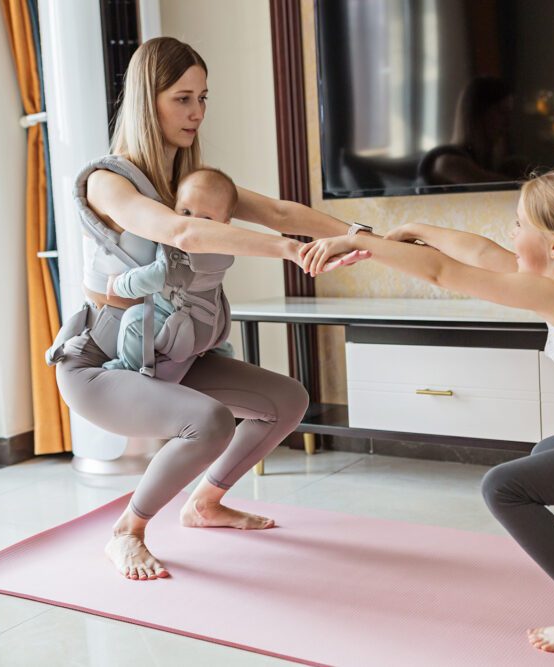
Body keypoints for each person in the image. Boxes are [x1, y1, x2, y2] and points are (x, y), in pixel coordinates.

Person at [299, 170, 554, 654]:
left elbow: (444, 273)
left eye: (519, 224)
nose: (511, 236)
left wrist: (355, 242)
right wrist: (420, 229)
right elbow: (479, 255)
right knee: (548, 455)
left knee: (505, 486)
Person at [50, 36, 370, 582]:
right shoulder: (107, 181)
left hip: (177, 351)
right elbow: (181, 232)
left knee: (287, 400)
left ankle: (206, 504)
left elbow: (277, 210)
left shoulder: (191, 184)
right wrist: (288, 251)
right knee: (209, 420)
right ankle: (126, 532)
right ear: (147, 101)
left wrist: (366, 236)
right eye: (182, 98)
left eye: (203, 98)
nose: (197, 112)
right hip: (103, 364)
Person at [102, 168, 239, 374]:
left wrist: (118, 284)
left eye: (206, 220)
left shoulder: (184, 256)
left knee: (133, 322)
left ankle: (127, 367)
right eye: (185, 212)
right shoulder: (222, 249)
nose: (191, 223)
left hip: (186, 327)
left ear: (224, 225)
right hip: (214, 325)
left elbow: (152, 277)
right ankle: (220, 352)